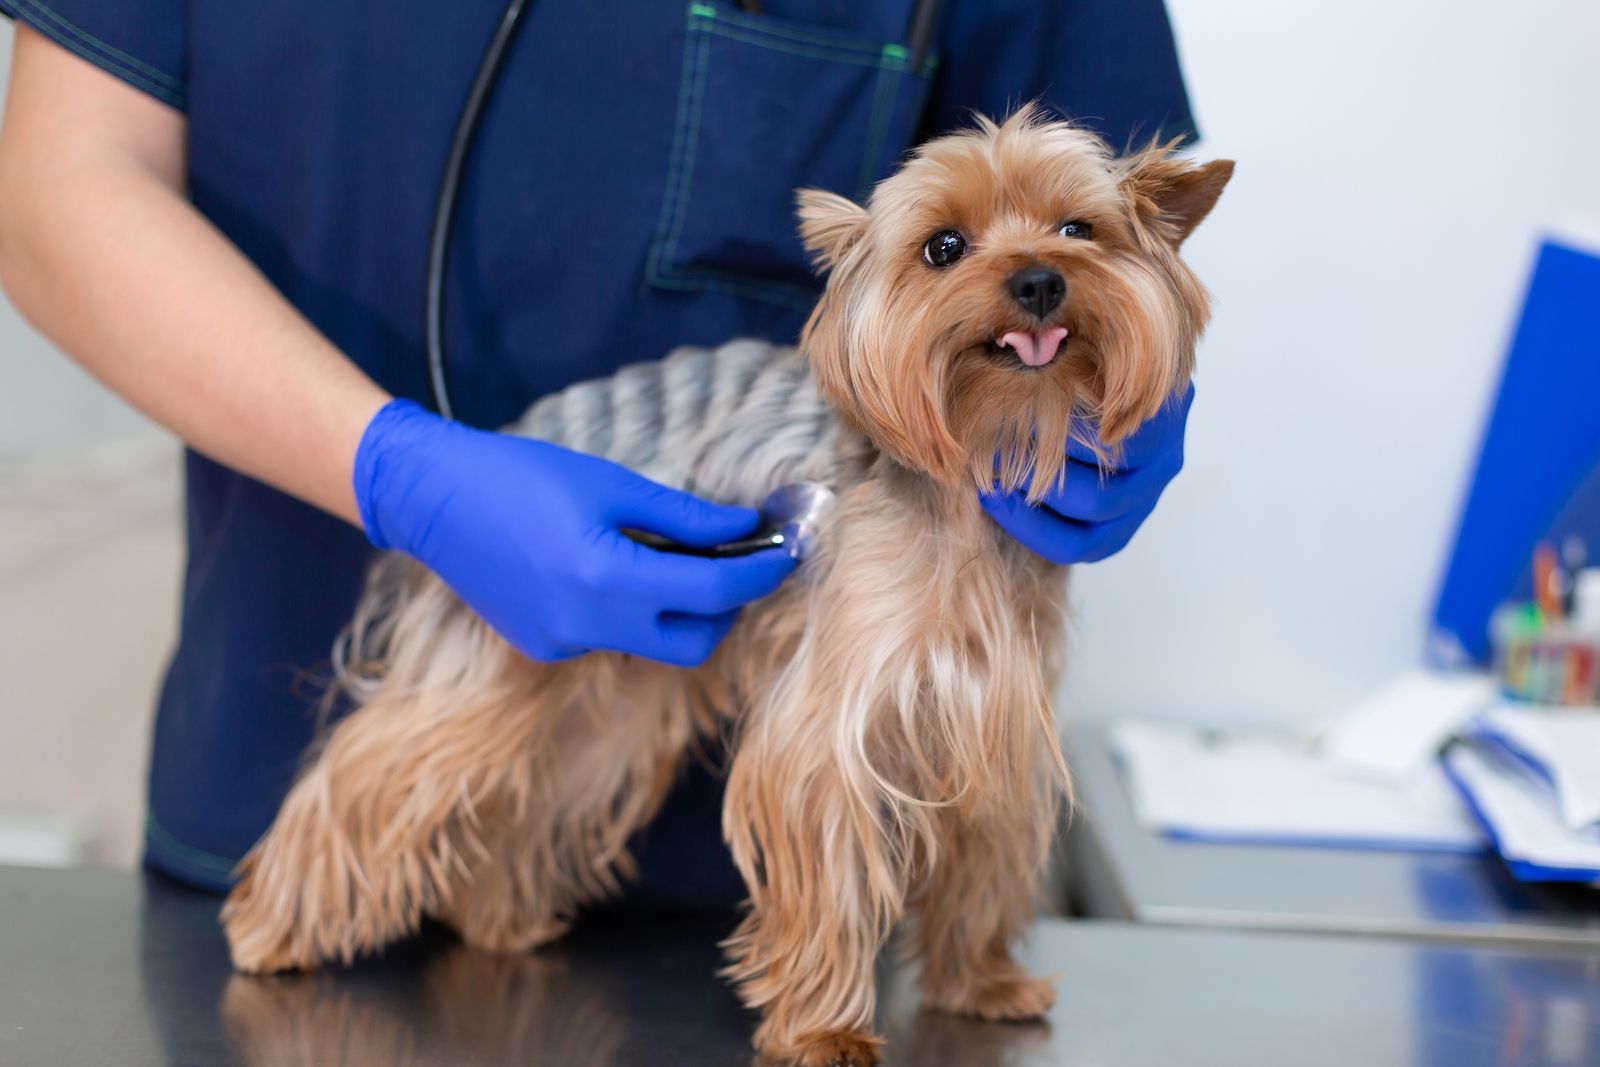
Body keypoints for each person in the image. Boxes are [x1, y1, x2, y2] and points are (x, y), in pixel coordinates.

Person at [0, 0, 1198, 904]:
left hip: (738, 904)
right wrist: (391, 469)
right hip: (272, 746)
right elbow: (57, 187)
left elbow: (1116, 223)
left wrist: (1122, 390)